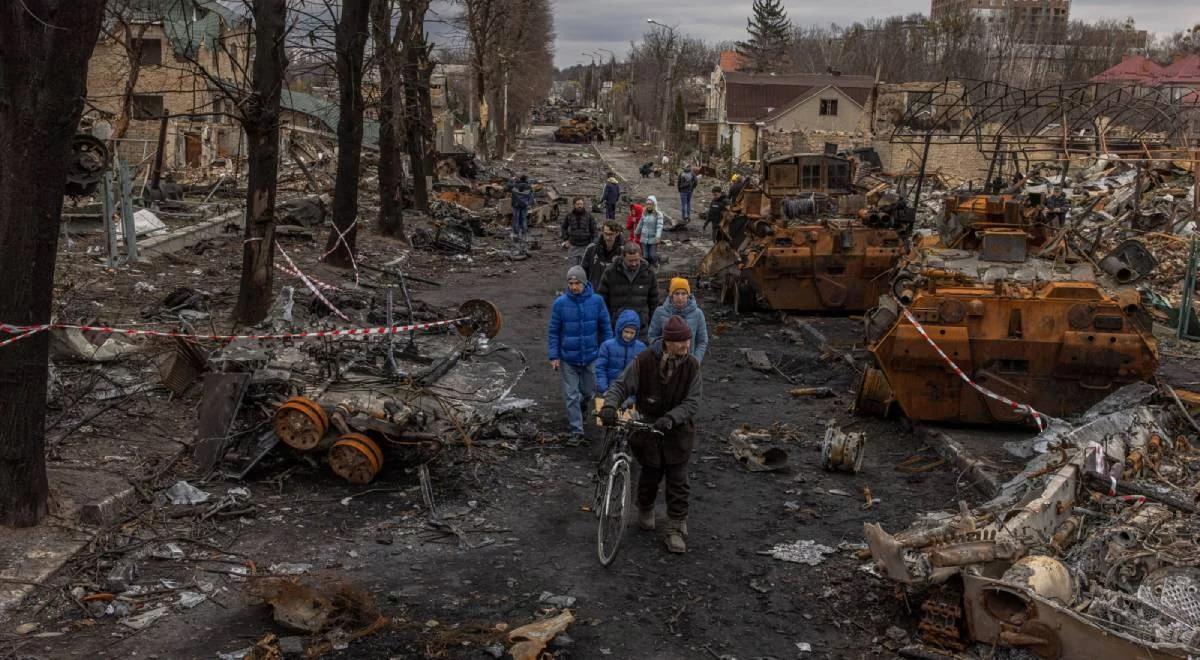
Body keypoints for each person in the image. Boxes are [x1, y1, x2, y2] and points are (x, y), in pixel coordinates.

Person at [600, 315, 702, 554]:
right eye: (681, 342)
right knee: (650, 475)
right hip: (648, 431)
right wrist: (609, 405)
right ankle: (645, 507)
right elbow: (621, 385)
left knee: (678, 482)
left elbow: (693, 402)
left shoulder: (692, 366)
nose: (686, 345)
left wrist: (672, 417)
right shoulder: (644, 361)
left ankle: (675, 529)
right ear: (667, 341)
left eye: (688, 340)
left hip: (678, 433)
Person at [548, 266, 612, 442]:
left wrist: (608, 351)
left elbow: (605, 328)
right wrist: (553, 356)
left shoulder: (597, 301)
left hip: (591, 355)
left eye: (577, 283)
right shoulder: (560, 304)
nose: (574, 287)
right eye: (571, 283)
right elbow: (554, 331)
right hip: (568, 357)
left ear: (584, 283)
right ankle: (577, 431)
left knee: (589, 392)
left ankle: (583, 405)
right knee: (571, 395)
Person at [597, 242, 659, 332]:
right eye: (630, 261)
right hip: (616, 326)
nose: (634, 264)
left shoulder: (649, 273)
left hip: (641, 327)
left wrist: (651, 324)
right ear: (623, 258)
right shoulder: (610, 272)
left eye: (636, 260)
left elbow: (654, 302)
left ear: (641, 257)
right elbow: (602, 299)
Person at [648, 277, 709, 362]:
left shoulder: (697, 314)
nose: (680, 297)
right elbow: (652, 337)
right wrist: (661, 355)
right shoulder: (660, 312)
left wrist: (696, 361)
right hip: (664, 362)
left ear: (688, 295)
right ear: (671, 295)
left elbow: (702, 341)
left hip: (688, 363)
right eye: (676, 293)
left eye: (683, 293)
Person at [595, 309, 647, 397]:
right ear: (620, 329)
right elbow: (600, 368)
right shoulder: (607, 346)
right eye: (626, 331)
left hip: (632, 394)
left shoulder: (641, 348)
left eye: (632, 333)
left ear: (636, 333)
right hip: (610, 392)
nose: (628, 335)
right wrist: (604, 388)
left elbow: (644, 373)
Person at [582, 220, 624, 288]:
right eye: (606, 234)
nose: (607, 237)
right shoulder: (592, 248)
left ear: (617, 233)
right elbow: (583, 270)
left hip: (614, 293)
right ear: (602, 232)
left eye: (611, 234)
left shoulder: (623, 251)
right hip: (595, 290)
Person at [561, 197, 596, 266]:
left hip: (585, 246)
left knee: (584, 268)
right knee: (573, 268)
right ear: (574, 205)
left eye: (581, 204)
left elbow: (594, 231)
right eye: (577, 204)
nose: (579, 206)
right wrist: (565, 240)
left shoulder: (589, 216)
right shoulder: (569, 216)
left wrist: (593, 243)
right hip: (573, 246)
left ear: (583, 205)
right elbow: (563, 227)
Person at [637, 195, 664, 266]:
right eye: (647, 204)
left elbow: (659, 226)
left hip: (653, 238)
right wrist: (637, 231)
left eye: (650, 204)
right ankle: (647, 268)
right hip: (644, 237)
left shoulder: (658, 214)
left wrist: (658, 236)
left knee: (652, 255)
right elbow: (640, 223)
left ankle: (656, 261)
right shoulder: (644, 213)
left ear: (654, 205)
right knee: (645, 256)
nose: (649, 206)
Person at [511, 175, 534, 250]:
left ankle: (516, 233)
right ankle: (524, 232)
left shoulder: (515, 185)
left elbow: (508, 187)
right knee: (523, 218)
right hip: (524, 205)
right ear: (526, 180)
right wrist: (528, 203)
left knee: (516, 218)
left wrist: (512, 180)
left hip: (516, 205)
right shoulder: (528, 187)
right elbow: (531, 197)